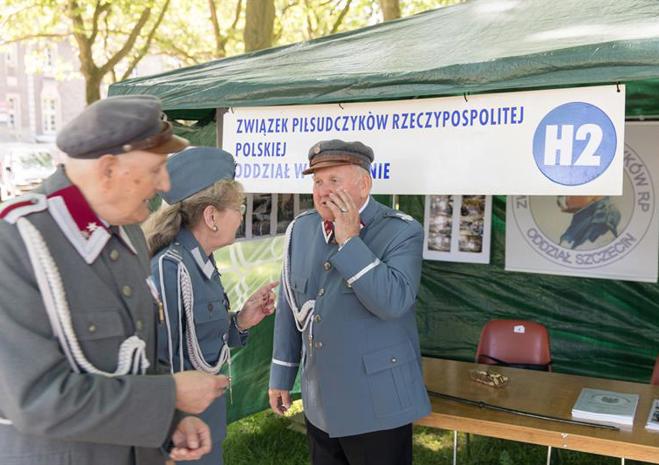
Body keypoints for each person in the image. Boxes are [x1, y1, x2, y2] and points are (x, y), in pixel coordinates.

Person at [0, 96, 231, 465]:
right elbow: (36, 399)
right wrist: (168, 396)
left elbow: (134, 355)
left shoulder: (127, 230)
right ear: (108, 169)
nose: (165, 183)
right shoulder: (17, 241)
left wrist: (171, 421)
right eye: (156, 169)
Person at [268, 140, 431, 465]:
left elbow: (393, 302)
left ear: (364, 184)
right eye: (317, 181)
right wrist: (281, 376)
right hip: (320, 402)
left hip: (377, 404)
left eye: (334, 180)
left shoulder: (401, 231)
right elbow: (290, 307)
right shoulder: (302, 229)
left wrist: (349, 241)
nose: (323, 191)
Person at [144, 146, 277, 465]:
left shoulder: (199, 261)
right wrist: (176, 428)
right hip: (183, 431)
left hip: (205, 421)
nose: (242, 215)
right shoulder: (172, 267)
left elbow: (199, 340)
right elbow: (168, 363)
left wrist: (241, 321)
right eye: (238, 207)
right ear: (211, 216)